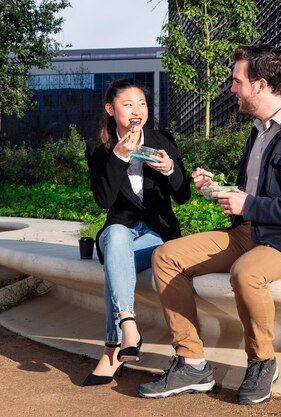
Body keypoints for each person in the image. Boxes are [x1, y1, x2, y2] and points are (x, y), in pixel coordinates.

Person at [138, 44, 281, 404]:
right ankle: (192, 362)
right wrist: (217, 190)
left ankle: (263, 361)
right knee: (167, 256)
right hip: (248, 231)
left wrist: (251, 203)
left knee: (246, 273)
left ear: (261, 85)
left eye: (237, 81)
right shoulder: (257, 131)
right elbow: (251, 195)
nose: (232, 89)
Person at [83, 78, 191, 386]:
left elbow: (183, 195)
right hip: (120, 228)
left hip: (157, 232)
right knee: (116, 237)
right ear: (110, 109)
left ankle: (113, 347)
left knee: (117, 263)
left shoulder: (162, 139)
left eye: (142, 104)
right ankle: (128, 322)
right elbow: (103, 200)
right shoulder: (99, 148)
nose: (137, 110)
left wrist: (170, 170)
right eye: (128, 104)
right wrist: (118, 157)